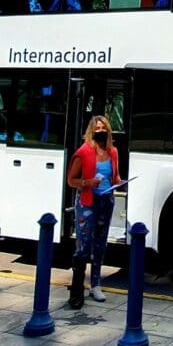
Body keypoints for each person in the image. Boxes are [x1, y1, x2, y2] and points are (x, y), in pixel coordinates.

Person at [65, 115, 121, 309]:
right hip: (87, 203)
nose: (100, 131)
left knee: (100, 244)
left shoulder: (113, 152)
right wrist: (88, 183)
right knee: (83, 245)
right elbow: (71, 180)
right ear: (91, 131)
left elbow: (115, 176)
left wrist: (118, 182)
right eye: (97, 128)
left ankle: (96, 284)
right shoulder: (84, 153)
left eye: (103, 127)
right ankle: (77, 289)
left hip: (106, 201)